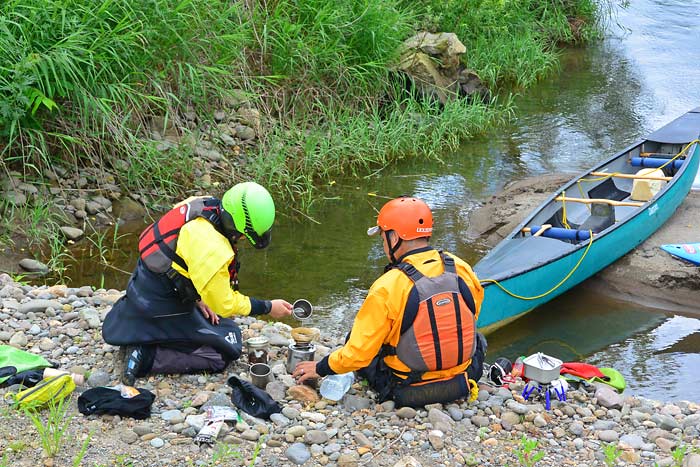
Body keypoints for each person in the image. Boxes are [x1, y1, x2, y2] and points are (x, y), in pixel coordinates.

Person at [293, 196, 486, 406]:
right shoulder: (460, 267)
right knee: (479, 338)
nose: (384, 244)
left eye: (383, 238)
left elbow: (358, 354)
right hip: (462, 379)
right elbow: (472, 314)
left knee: (355, 339)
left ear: (394, 237)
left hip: (407, 390)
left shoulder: (388, 285)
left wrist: (321, 368)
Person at [102, 182, 292, 385]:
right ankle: (146, 355)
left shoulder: (203, 205)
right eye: (244, 236)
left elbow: (183, 259)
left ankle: (147, 334)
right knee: (225, 351)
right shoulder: (213, 248)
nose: (243, 239)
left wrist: (198, 298)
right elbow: (225, 305)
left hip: (144, 282)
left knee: (219, 323)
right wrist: (268, 307)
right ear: (235, 227)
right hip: (159, 301)